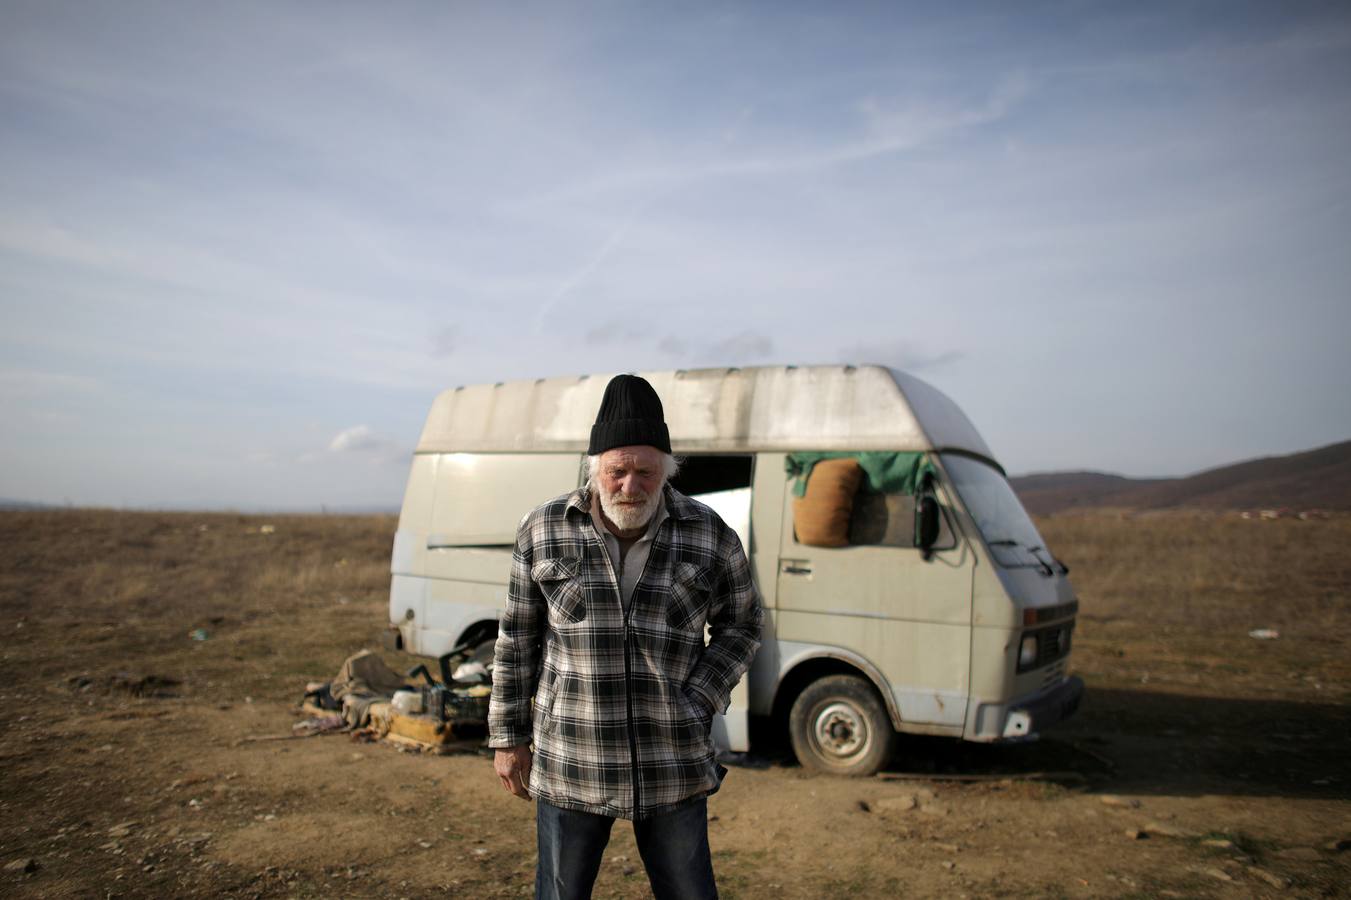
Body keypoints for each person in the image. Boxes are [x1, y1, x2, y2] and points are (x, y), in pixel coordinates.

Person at [489, 373, 763, 900]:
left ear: (667, 470)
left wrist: (700, 697)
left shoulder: (709, 533)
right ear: (595, 470)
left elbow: (743, 625)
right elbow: (516, 639)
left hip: (671, 760)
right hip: (571, 758)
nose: (631, 486)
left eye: (645, 471)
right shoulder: (544, 529)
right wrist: (507, 737)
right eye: (617, 471)